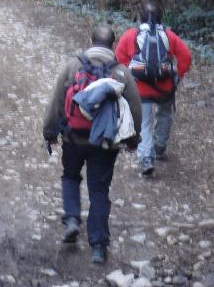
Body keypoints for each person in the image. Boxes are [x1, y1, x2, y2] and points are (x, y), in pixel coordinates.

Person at [43, 25, 142, 264]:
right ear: (113, 45)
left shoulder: (73, 65)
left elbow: (57, 100)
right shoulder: (121, 73)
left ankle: (73, 220)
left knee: (70, 176)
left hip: (73, 137)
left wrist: (49, 133)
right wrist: (133, 141)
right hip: (105, 143)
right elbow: (135, 109)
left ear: (90, 40)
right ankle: (98, 246)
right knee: (99, 191)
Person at [115, 2, 192, 177]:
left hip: (140, 88)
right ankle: (160, 147)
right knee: (164, 115)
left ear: (139, 17)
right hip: (165, 87)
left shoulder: (130, 36)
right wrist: (177, 76)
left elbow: (118, 61)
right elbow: (186, 56)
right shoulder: (169, 36)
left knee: (144, 123)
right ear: (160, 17)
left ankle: (146, 159)